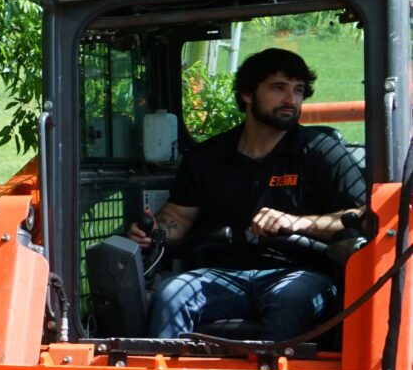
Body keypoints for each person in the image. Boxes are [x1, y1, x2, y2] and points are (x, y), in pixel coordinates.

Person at [132, 46, 368, 341]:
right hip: (221, 273)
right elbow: (177, 217)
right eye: (278, 88)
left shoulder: (321, 151)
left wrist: (299, 223)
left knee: (289, 300)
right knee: (170, 295)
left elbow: (364, 216)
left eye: (298, 90)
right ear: (247, 94)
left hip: (301, 274)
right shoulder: (207, 158)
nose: (290, 100)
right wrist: (156, 230)